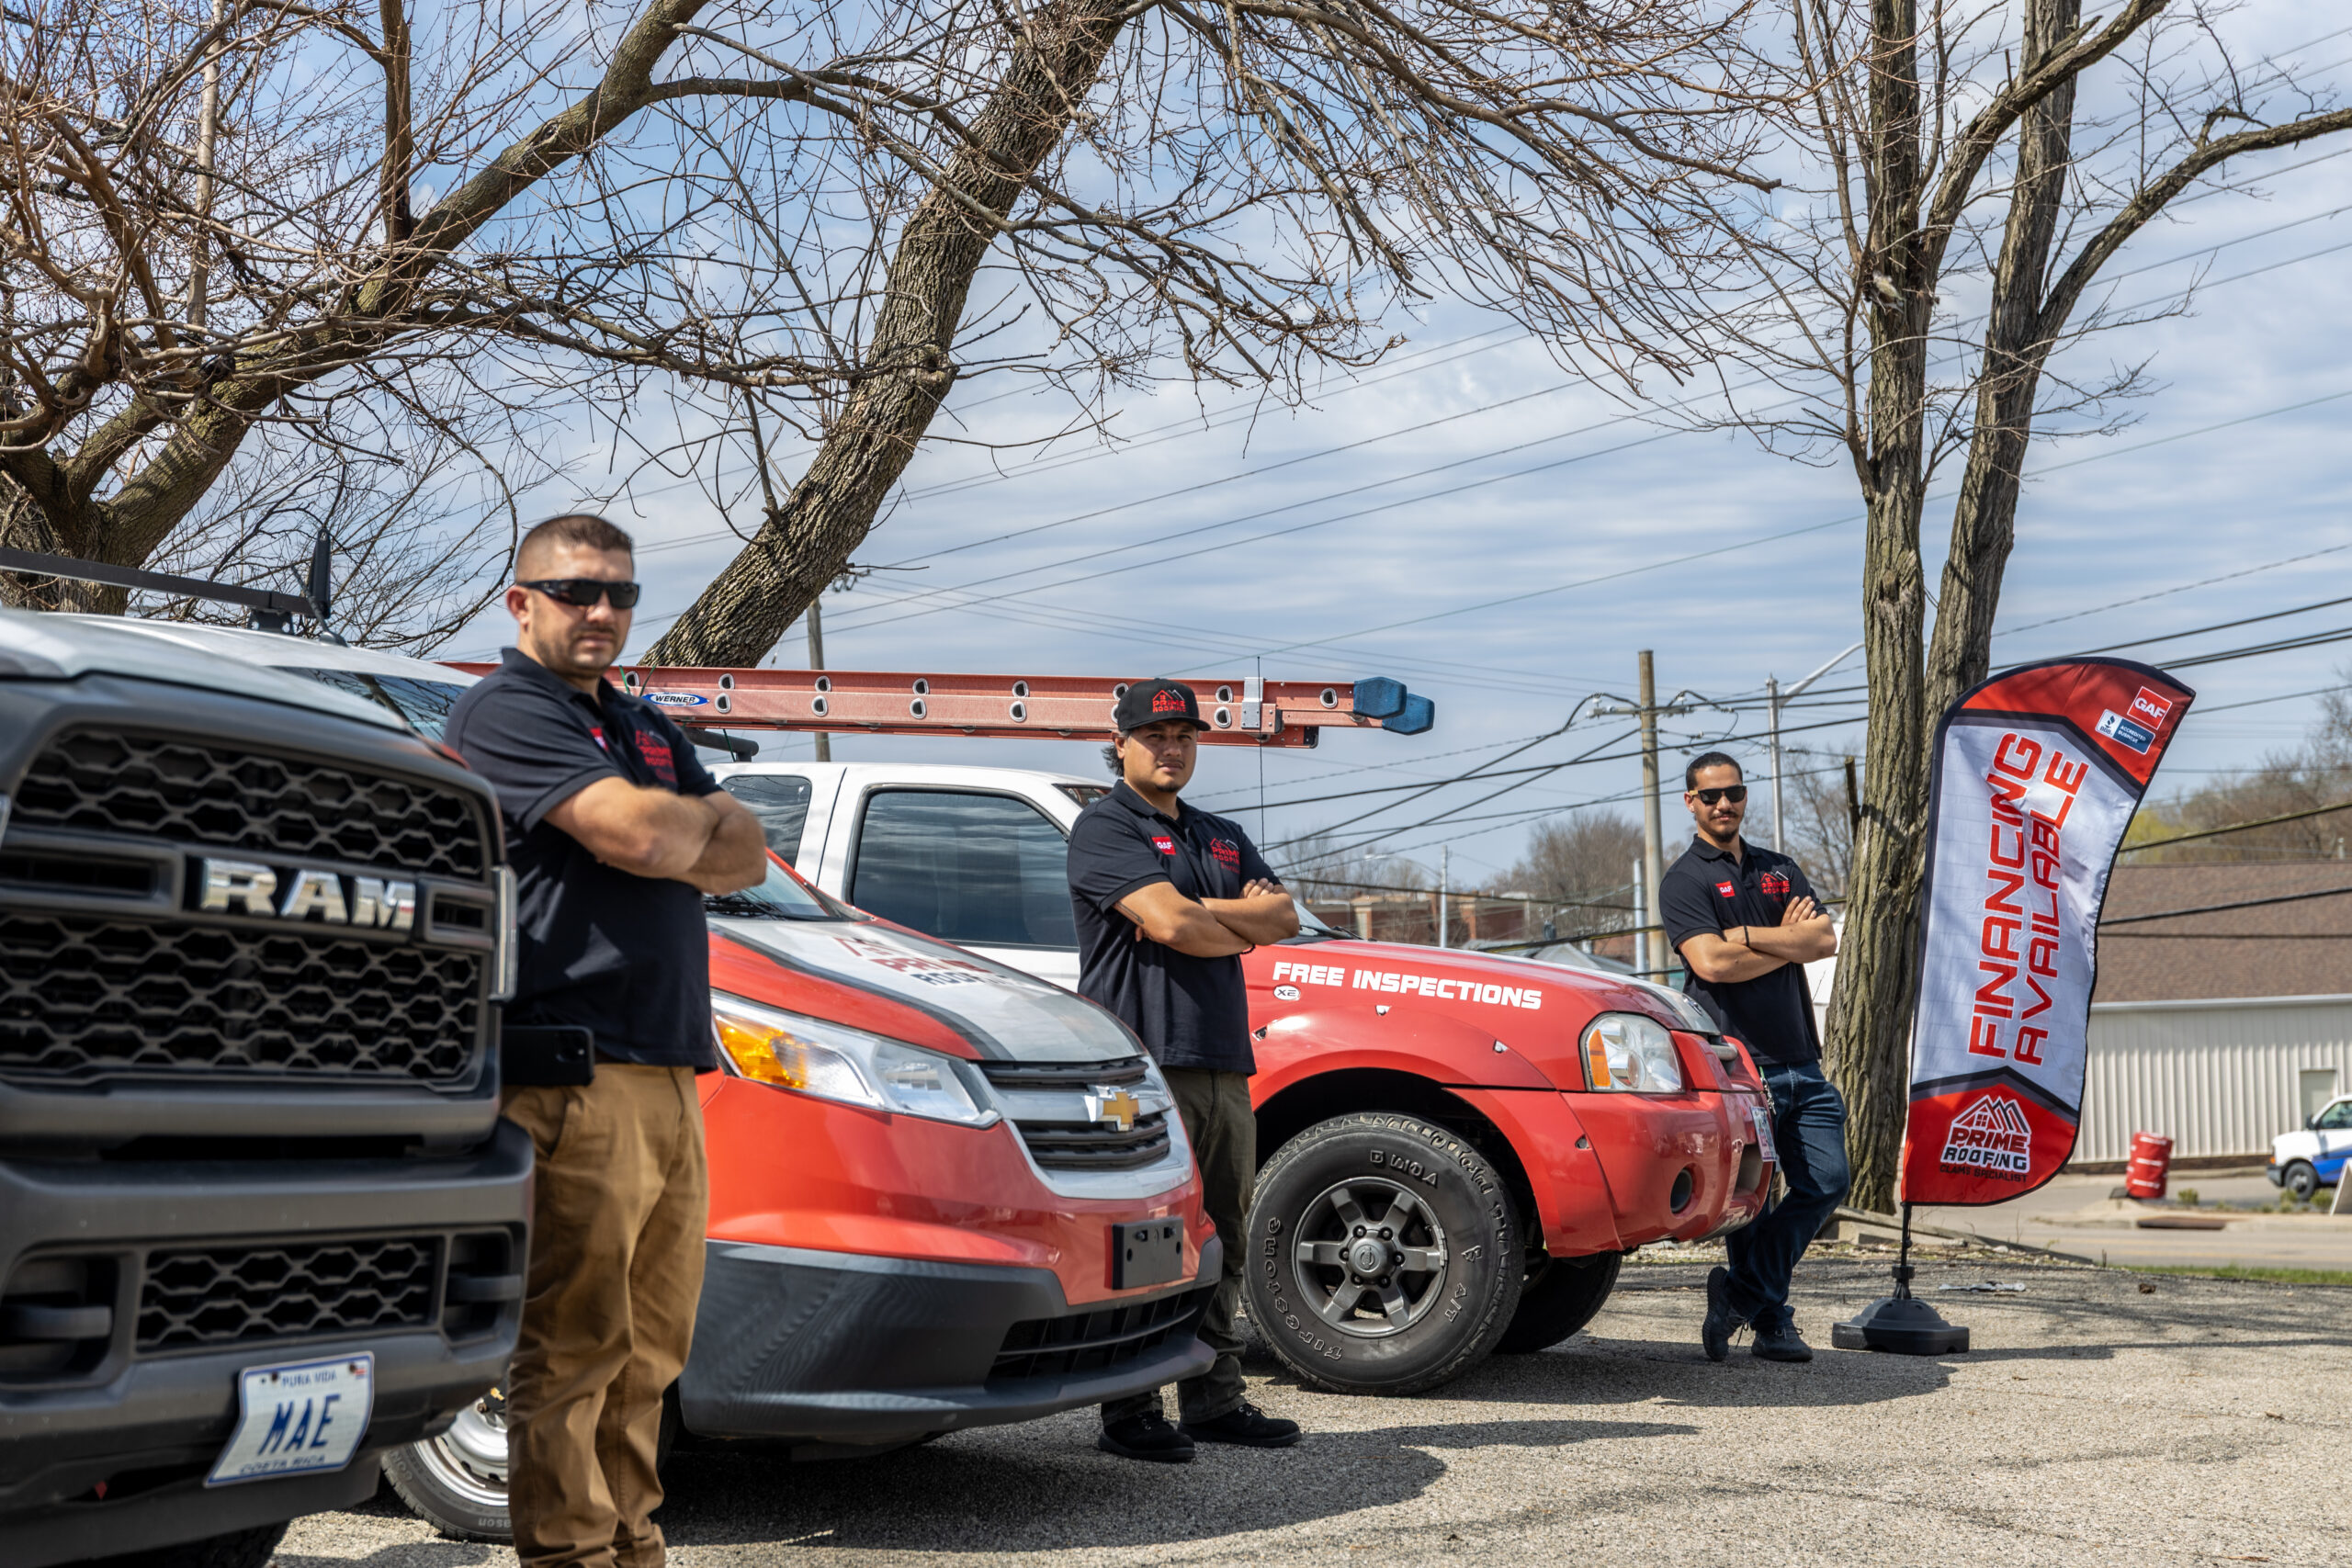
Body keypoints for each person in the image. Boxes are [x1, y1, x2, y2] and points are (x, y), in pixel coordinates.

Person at [444, 513, 766, 1568]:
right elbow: (642, 834)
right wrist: (680, 828)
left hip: (669, 1070)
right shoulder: (503, 711)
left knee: (653, 1351)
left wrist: (682, 829)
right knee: (576, 1347)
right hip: (572, 1074)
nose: (602, 612)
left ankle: (634, 1546)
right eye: (577, 591)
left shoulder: (642, 724)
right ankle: (570, 1555)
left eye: (620, 595)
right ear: (520, 602)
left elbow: (747, 853)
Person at [1066, 680, 1306, 1462]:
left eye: (1184, 734)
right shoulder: (1102, 828)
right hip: (1138, 1066)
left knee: (1226, 1235)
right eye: (1155, 734)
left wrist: (1204, 912)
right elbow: (1172, 924)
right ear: (1122, 742)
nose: (1172, 747)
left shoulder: (1222, 832)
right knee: (1145, 1240)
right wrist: (1221, 916)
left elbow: (1284, 918)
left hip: (1221, 1062)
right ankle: (1129, 1408)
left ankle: (1213, 1398)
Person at [1658, 750, 1843, 1364]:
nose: (1723, 804)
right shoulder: (1684, 880)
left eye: (1732, 792)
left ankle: (1739, 1292)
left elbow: (1822, 938)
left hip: (1801, 1059)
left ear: (1744, 797)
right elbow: (1710, 963)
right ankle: (1774, 1323)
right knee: (1754, 1202)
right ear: (1690, 802)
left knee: (1827, 1181)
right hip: (1739, 1069)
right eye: (1709, 795)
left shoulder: (1778, 869)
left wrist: (1745, 936)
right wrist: (1783, 945)